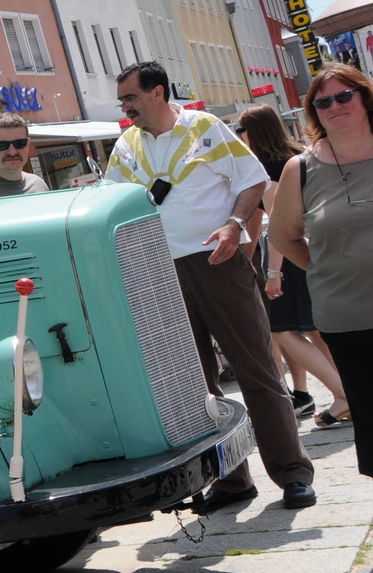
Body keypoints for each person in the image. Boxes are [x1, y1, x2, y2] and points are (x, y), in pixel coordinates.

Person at [106, 62, 314, 511]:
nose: (124, 108)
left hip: (218, 263)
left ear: (157, 92)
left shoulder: (204, 126)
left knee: (256, 369)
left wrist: (235, 225)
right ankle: (231, 481)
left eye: (130, 98)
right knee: (197, 383)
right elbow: (108, 204)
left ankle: (293, 473)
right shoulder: (125, 146)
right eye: (122, 100)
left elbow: (254, 180)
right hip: (157, 272)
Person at [269, 62, 373, 476]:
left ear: (364, 97)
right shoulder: (302, 169)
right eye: (322, 101)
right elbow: (282, 237)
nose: (334, 106)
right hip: (347, 318)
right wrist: (324, 269)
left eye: (344, 95)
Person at [235, 104, 351, 426]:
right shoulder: (299, 156)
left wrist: (272, 273)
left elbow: (275, 227)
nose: (238, 138)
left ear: (251, 132)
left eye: (240, 132)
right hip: (315, 249)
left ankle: (342, 394)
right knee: (316, 329)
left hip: (287, 257)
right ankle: (350, 392)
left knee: (283, 332)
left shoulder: (263, 168)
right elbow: (257, 220)